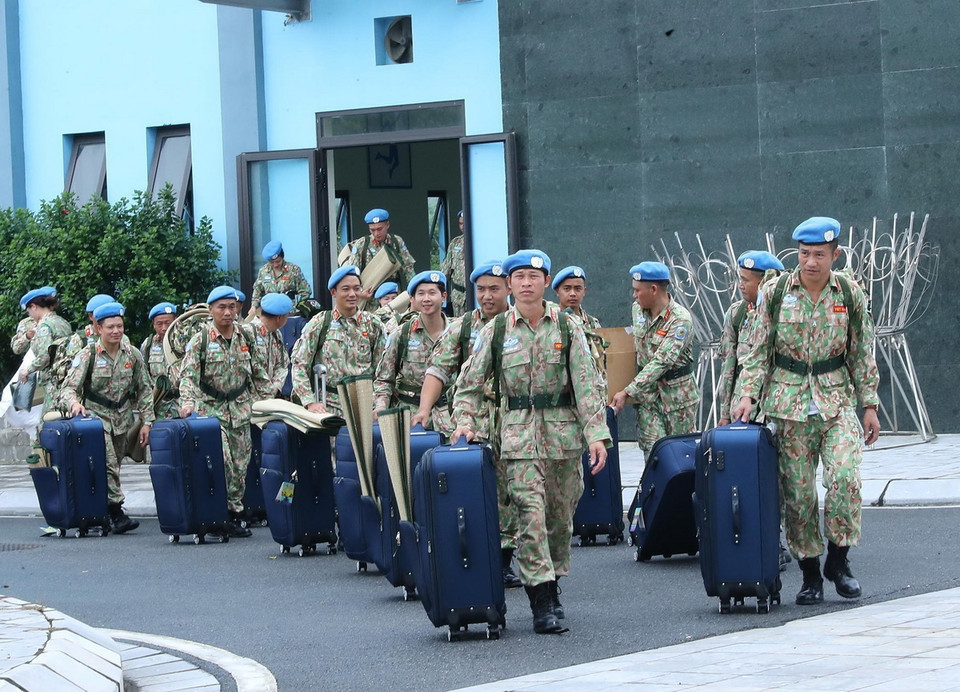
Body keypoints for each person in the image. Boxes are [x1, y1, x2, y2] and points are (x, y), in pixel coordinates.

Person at [451, 249, 610, 634]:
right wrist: (464, 423)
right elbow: (468, 385)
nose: (525, 284)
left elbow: (587, 385)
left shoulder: (568, 328)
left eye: (532, 277)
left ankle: (552, 583)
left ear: (545, 283)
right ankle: (543, 601)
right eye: (518, 277)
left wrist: (597, 435)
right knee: (530, 517)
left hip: (563, 437)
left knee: (558, 520)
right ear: (509, 285)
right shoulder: (497, 331)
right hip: (518, 438)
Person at [733, 216, 880, 606]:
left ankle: (839, 561)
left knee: (846, 479)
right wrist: (747, 394)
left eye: (819, 254)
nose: (810, 262)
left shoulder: (849, 293)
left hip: (836, 403)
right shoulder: (776, 291)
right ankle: (811, 574)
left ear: (835, 255)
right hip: (788, 404)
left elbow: (862, 351)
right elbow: (758, 350)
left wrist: (869, 405)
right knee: (798, 497)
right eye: (804, 254)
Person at [412, 259, 522, 589]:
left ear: (509, 289)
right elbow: (439, 370)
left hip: (517, 421)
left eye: (494, 288)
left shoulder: (521, 323)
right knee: (480, 490)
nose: (487, 296)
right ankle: (481, 557)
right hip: (474, 421)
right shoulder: (462, 328)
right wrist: (424, 408)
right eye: (481, 289)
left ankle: (508, 558)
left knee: (514, 492)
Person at [179, 286, 270, 538]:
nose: (228, 312)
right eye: (222, 307)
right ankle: (217, 512)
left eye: (232, 306)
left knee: (241, 465)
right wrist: (188, 403)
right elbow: (188, 375)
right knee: (224, 462)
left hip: (241, 408)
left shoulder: (246, 336)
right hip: (211, 410)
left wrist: (270, 402)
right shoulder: (201, 339)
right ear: (211, 310)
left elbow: (259, 373)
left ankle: (234, 514)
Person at [60, 302, 153, 533]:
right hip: (95, 418)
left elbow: (144, 389)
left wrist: (147, 421)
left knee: (114, 464)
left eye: (119, 326)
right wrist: (74, 404)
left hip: (122, 418)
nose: (116, 331)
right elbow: (68, 388)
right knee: (109, 463)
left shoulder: (132, 354)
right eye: (110, 327)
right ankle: (116, 512)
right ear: (98, 328)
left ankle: (99, 510)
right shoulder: (88, 354)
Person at [610, 262, 699, 456]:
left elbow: (662, 361)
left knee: (680, 454)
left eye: (637, 290)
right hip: (648, 399)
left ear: (653, 289)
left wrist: (628, 391)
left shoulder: (680, 319)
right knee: (653, 455)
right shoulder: (638, 310)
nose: (634, 295)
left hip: (677, 400)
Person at [291, 266, 386, 417]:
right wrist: (310, 402)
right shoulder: (320, 323)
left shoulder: (373, 324)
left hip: (365, 405)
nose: (352, 294)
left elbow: (382, 370)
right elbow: (300, 364)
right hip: (330, 406)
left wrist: (380, 404)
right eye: (345, 289)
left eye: (356, 288)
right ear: (334, 292)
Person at [373, 271, 450, 431]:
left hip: (449, 419)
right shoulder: (402, 334)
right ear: (412, 299)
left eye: (432, 293)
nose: (426, 299)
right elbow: (384, 380)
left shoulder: (456, 333)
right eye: (421, 293)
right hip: (410, 420)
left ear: (443, 297)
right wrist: (381, 406)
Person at [716, 251, 785, 426]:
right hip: (743, 412)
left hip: (778, 409)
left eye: (746, 280)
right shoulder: (736, 314)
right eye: (741, 279)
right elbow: (729, 365)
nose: (740, 286)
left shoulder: (788, 314)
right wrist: (725, 413)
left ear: (764, 282)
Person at [17, 287, 73, 418]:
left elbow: (44, 356)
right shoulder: (63, 322)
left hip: (53, 382)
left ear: (34, 306)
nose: (29, 314)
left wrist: (27, 370)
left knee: (49, 426)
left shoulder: (44, 326)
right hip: (67, 380)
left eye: (29, 310)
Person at [345, 208, 416, 301]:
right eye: (372, 230)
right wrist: (360, 292)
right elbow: (352, 273)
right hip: (371, 294)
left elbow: (408, 269)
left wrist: (415, 290)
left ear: (387, 225)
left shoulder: (396, 242)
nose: (376, 233)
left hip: (392, 294)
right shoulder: (362, 244)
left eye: (379, 229)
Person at [140, 302, 180, 420]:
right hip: (158, 406)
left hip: (181, 404)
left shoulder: (183, 343)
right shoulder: (148, 345)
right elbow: (143, 378)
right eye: (159, 323)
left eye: (168, 323)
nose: (164, 328)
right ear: (153, 325)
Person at [251, 292, 293, 399]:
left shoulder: (276, 333)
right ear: (279, 318)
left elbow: (282, 363)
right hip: (250, 399)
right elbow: (253, 367)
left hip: (270, 398)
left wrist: (275, 387)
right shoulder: (249, 333)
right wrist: (268, 390)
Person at [250, 240, 311, 312]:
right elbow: (257, 290)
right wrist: (254, 306)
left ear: (282, 257)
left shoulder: (293, 270)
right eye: (271, 262)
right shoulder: (263, 271)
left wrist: (298, 308)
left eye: (278, 261)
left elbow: (305, 291)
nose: (275, 265)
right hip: (270, 312)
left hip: (290, 311)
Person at [439, 210, 467, 316]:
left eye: (465, 223)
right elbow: (445, 270)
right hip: (459, 297)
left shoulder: (482, 242)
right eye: (460, 223)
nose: (463, 226)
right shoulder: (455, 243)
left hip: (476, 295)